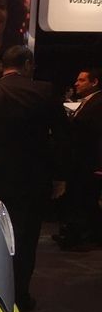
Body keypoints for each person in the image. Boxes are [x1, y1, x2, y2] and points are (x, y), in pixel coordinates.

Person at [0, 46, 68, 312]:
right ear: (28, 64)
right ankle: (19, 296)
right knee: (26, 239)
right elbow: (62, 138)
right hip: (32, 180)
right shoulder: (44, 92)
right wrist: (60, 176)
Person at [53, 67, 102, 250]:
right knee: (81, 199)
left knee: (87, 199)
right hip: (80, 161)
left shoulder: (98, 103)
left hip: (89, 161)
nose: (76, 83)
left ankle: (87, 236)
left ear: (94, 82)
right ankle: (77, 234)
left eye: (82, 80)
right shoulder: (88, 102)